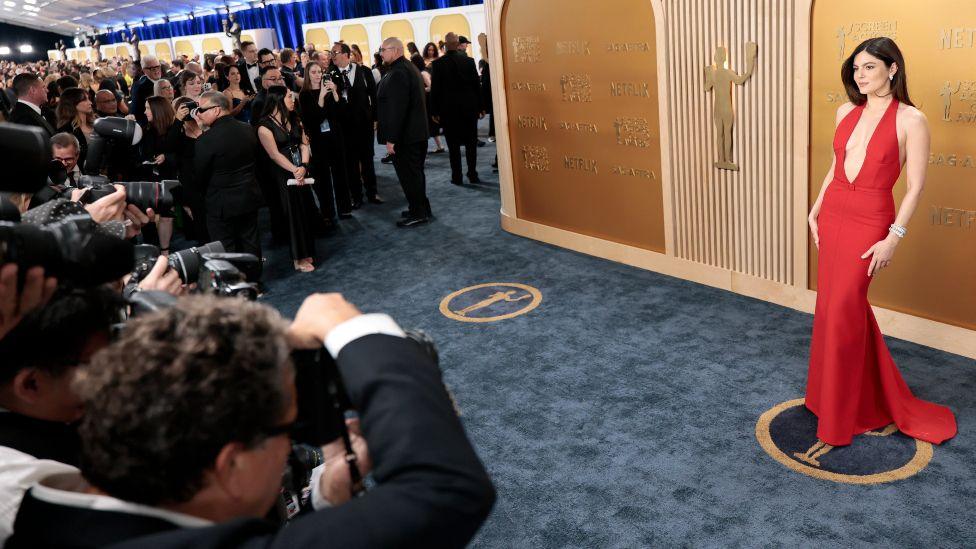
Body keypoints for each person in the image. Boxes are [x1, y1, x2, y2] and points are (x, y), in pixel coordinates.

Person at [7, 293, 495, 548]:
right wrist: (356, 331)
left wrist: (325, 499)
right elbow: (447, 490)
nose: (291, 449)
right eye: (287, 431)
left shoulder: (35, 498)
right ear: (231, 464)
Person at [804, 37, 956, 449]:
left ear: (892, 69)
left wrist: (894, 238)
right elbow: (835, 168)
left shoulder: (912, 120)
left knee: (844, 306)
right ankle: (828, 398)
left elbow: (916, 188)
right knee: (831, 305)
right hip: (834, 212)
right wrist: (814, 209)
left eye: (869, 67)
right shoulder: (845, 111)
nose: (860, 75)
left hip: (871, 218)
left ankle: (841, 416)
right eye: (856, 68)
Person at [193, 91, 264, 280]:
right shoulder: (247, 128)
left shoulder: (205, 140)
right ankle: (255, 282)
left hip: (220, 203)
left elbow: (199, 176)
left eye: (201, 109)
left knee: (224, 246)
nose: (198, 113)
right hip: (249, 194)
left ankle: (233, 286)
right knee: (251, 241)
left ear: (216, 110)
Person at [257, 86, 318, 272]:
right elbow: (274, 155)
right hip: (282, 173)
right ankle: (297, 258)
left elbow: (304, 144)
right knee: (292, 214)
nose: (293, 100)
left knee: (305, 209)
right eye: (289, 97)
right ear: (278, 100)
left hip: (300, 169)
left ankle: (306, 250)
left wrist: (304, 167)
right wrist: (294, 170)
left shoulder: (294, 118)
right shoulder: (264, 127)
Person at [377, 38, 432, 227]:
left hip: (406, 137)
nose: (380, 53)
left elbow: (397, 109)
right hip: (414, 134)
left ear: (396, 50)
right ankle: (421, 208)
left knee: (410, 176)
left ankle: (418, 213)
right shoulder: (405, 68)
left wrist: (391, 139)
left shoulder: (399, 72)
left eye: (383, 49)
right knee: (415, 174)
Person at [331, 42, 381, 206]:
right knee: (350, 162)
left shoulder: (365, 71)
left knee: (367, 159)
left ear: (345, 54)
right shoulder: (330, 75)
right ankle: (356, 197)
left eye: (335, 52)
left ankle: (372, 193)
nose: (332, 56)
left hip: (364, 124)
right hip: (343, 127)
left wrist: (375, 119)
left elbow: (374, 97)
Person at [430, 33, 483, 185]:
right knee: (471, 144)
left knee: (453, 147)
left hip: (448, 112)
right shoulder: (469, 61)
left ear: (446, 45)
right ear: (458, 44)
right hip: (469, 110)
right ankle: (472, 174)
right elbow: (475, 86)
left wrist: (434, 111)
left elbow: (435, 90)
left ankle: (457, 177)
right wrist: (481, 107)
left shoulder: (438, 64)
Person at [299, 60, 348, 224]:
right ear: (307, 74)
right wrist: (320, 97)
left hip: (335, 137)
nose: (318, 75)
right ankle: (328, 211)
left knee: (340, 173)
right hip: (319, 141)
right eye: (313, 72)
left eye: (319, 71)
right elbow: (313, 121)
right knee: (323, 177)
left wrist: (335, 93)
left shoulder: (329, 90)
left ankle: (344, 208)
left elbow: (341, 114)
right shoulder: (304, 95)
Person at [170, 96, 209, 243]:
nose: (185, 111)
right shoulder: (177, 130)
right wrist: (178, 120)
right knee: (199, 219)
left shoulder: (205, 124)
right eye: (180, 109)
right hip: (191, 182)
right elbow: (169, 146)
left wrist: (200, 121)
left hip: (210, 178)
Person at [54, 87, 94, 173]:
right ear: (73, 103)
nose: (90, 102)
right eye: (85, 100)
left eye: (89, 99)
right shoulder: (66, 130)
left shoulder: (97, 124)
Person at [412, 53, 445, 154]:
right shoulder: (422, 72)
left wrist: (421, 90)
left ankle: (436, 147)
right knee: (431, 125)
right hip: (427, 101)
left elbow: (431, 87)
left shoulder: (423, 73)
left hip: (427, 101)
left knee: (430, 124)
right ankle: (439, 146)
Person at [129, 54, 162, 126]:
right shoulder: (139, 87)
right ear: (144, 70)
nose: (157, 71)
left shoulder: (165, 81)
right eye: (152, 69)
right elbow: (135, 112)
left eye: (158, 67)